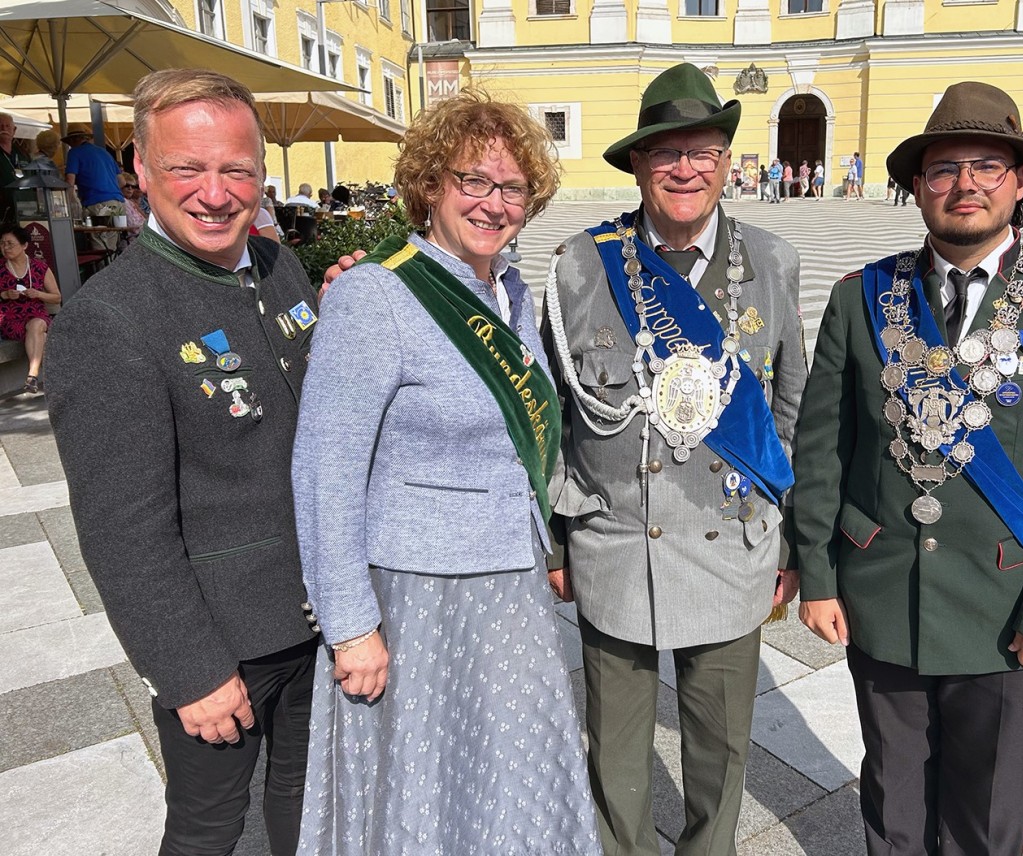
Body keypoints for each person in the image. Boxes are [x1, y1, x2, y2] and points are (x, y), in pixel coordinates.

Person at [793, 81, 1023, 856]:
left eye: (988, 164)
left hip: (1008, 607)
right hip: (880, 595)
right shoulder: (861, 298)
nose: (966, 183)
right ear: (917, 185)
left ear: (1020, 182)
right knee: (894, 806)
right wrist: (817, 573)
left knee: (984, 820)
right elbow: (822, 449)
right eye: (944, 168)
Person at [292, 88, 600, 855]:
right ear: (430, 185)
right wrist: (350, 626)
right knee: (429, 777)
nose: (494, 204)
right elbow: (324, 470)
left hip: (511, 578)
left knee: (509, 767)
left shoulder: (512, 291)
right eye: (473, 181)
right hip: (419, 589)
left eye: (513, 187)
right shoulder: (376, 293)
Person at [45, 69, 321, 856]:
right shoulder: (110, 320)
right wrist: (189, 668)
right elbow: (120, 527)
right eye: (186, 168)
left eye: (236, 168)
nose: (214, 192)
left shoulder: (276, 267)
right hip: (220, 638)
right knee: (207, 828)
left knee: (306, 800)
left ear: (261, 172)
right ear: (140, 168)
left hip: (315, 614)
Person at [542, 63, 806, 856]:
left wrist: (789, 545)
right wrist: (558, 540)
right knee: (614, 755)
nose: (685, 168)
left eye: (703, 152)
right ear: (637, 166)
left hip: (732, 547)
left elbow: (793, 410)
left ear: (727, 163)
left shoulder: (774, 260)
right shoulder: (580, 265)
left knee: (720, 756)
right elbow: (555, 412)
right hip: (614, 545)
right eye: (666, 154)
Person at [0, 224, 60, 394]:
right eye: (2, 244)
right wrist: (4, 295)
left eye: (10, 244)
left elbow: (56, 297)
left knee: (37, 325)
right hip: (10, 319)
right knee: (42, 334)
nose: (5, 248)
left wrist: (38, 294)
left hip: (36, 314)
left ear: (24, 245)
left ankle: (32, 375)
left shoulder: (39, 267)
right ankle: (43, 377)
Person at [64, 124, 124, 251]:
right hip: (118, 203)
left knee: (100, 247)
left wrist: (70, 203)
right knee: (112, 247)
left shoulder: (74, 152)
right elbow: (122, 182)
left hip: (98, 204)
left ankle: (104, 271)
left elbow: (70, 181)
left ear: (73, 140)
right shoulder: (104, 152)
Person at [0, 112, 28, 223]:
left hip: (25, 208)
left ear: (14, 130)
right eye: (0, 125)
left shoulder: (22, 153)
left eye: (7, 126)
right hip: (3, 212)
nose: (4, 128)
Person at [117, 173, 146, 238]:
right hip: (134, 239)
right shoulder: (122, 202)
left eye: (133, 186)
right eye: (127, 185)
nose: (130, 188)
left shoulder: (130, 202)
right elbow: (133, 226)